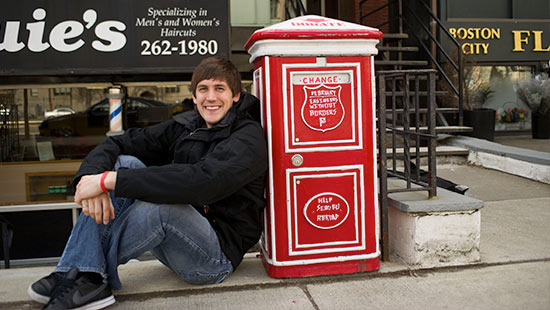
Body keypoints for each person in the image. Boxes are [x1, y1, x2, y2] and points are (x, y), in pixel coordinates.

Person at [27, 57, 268, 310]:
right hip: (179, 239)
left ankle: (84, 273)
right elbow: (117, 143)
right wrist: (92, 177)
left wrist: (109, 181)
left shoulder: (247, 138)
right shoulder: (188, 126)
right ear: (194, 96)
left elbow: (201, 183)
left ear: (236, 96)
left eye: (220, 89)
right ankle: (79, 271)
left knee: (159, 207)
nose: (211, 97)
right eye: (203, 89)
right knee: (125, 161)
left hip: (214, 258)